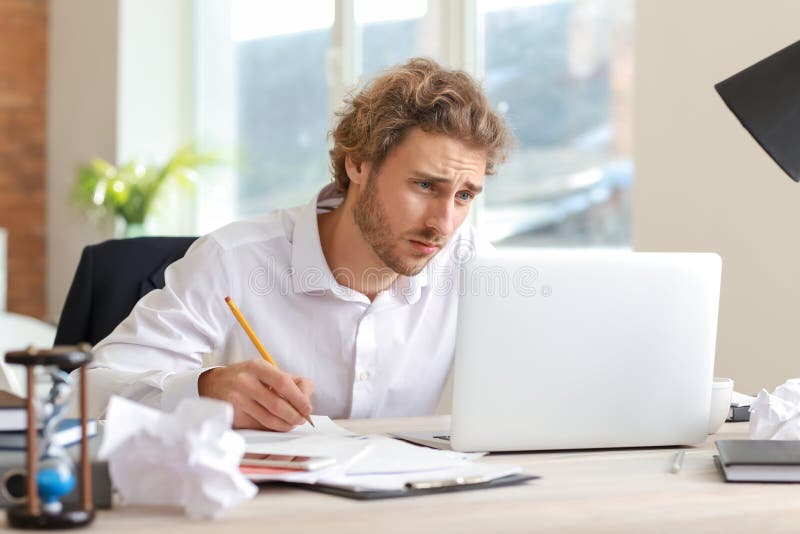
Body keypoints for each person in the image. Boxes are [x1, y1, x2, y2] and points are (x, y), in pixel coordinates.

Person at [88, 58, 513, 431]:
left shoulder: (474, 266)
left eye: (464, 196)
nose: (443, 223)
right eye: (424, 185)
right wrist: (204, 389)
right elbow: (85, 391)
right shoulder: (232, 261)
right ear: (358, 163)